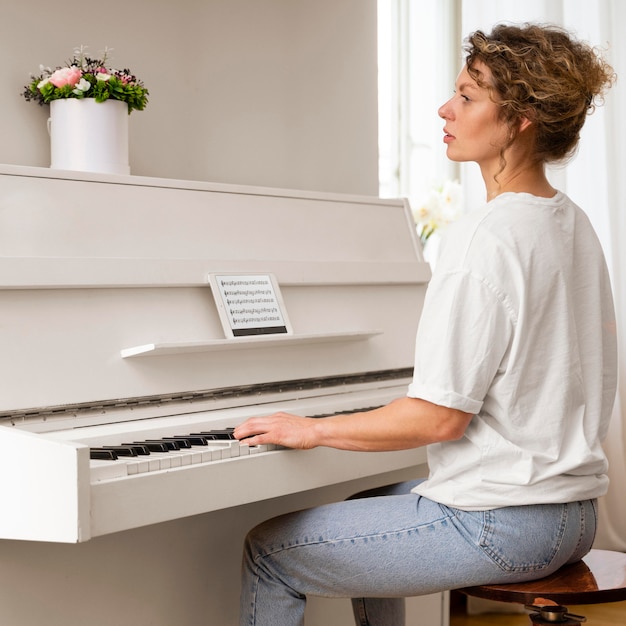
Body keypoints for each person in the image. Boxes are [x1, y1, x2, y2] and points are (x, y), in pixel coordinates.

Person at [234, 23, 618, 626]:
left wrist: (312, 427)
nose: (446, 108)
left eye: (468, 96)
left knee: (269, 553)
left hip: (503, 524)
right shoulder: (571, 221)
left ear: (519, 119)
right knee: (365, 505)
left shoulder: (485, 238)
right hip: (571, 517)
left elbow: (439, 418)